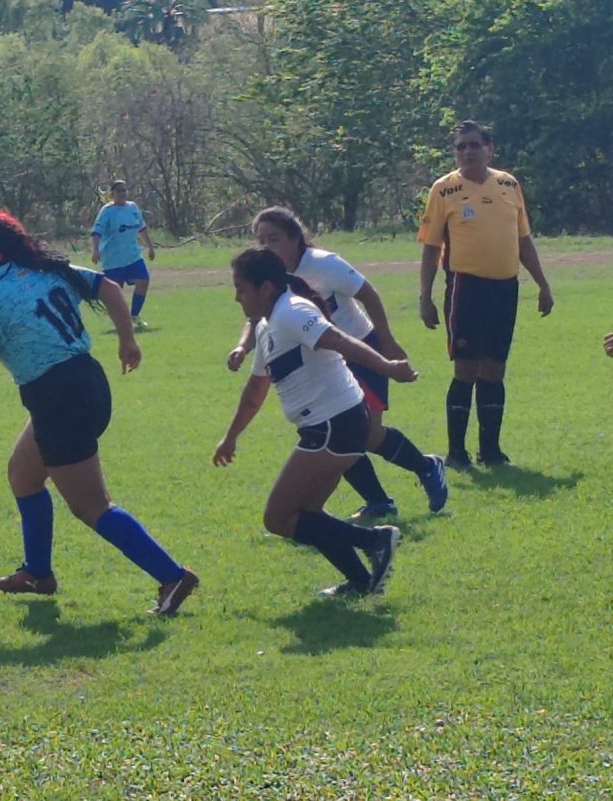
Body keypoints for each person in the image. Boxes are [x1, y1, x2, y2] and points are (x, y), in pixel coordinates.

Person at [0, 209, 198, 615]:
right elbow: (108, 287)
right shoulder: (44, 270)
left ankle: (172, 576)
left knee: (92, 507)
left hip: (58, 398)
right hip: (88, 382)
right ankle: (38, 573)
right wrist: (127, 340)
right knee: (23, 475)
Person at [214, 247, 418, 597]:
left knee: (277, 518)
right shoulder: (269, 324)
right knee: (306, 514)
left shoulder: (292, 311)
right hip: (333, 424)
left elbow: (339, 340)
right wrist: (231, 436)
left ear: (265, 288)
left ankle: (375, 539)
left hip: (334, 424)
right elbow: (255, 390)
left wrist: (387, 367)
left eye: (241, 288)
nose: (236, 298)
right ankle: (361, 581)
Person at [226, 207, 447, 519]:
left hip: (361, 348)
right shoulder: (270, 274)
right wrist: (242, 347)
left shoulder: (323, 264)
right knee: (336, 428)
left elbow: (368, 294)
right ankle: (379, 501)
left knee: (365, 434)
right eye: (260, 240)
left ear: (295, 238)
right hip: (323, 359)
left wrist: (386, 341)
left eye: (273, 239)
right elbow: (256, 316)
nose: (265, 246)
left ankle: (426, 467)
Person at [418, 120, 554, 468]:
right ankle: (456, 453)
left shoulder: (509, 184)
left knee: (494, 368)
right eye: (460, 146)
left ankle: (491, 451)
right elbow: (431, 247)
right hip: (466, 288)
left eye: (473, 145)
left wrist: (542, 284)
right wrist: (425, 295)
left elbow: (523, 239)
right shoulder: (443, 190)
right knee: (466, 368)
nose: (466, 151)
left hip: (505, 289)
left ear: (489, 148)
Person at [90, 180, 156, 331]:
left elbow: (142, 228)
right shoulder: (107, 211)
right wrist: (95, 250)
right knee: (115, 292)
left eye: (124, 191)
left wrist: (150, 247)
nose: (122, 194)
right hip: (113, 259)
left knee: (143, 280)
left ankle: (134, 315)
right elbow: (96, 232)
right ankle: (120, 321)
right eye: (119, 191)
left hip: (133, 255)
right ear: (112, 194)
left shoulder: (133, 208)